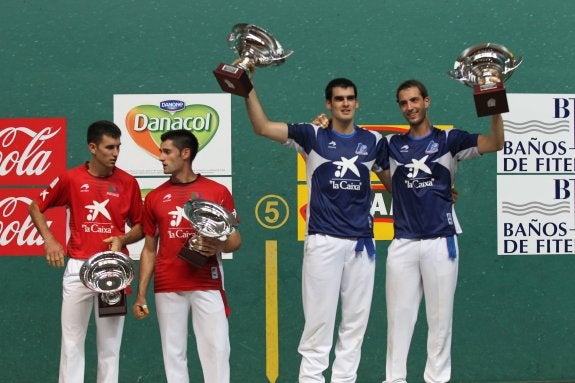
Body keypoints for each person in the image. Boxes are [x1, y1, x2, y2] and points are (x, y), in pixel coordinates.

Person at [244, 77, 387, 383]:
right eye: (339, 99)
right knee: (318, 324)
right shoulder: (312, 134)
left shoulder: (374, 141)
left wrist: (441, 190)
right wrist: (247, 88)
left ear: (357, 102)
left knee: (355, 324)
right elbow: (263, 126)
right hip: (323, 241)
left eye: (350, 97)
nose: (345, 103)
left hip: (362, 244)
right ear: (329, 104)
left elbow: (396, 185)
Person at [381, 79, 504, 383]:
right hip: (403, 244)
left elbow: (495, 143)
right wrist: (324, 126)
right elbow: (386, 181)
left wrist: (495, 104)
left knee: (439, 322)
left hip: (441, 242)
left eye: (414, 101)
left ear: (427, 101)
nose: (410, 107)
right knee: (398, 321)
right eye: (404, 103)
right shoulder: (391, 146)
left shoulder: (449, 140)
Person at [28, 120, 144, 383]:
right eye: (109, 147)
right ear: (93, 147)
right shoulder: (71, 178)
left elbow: (141, 226)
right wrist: (50, 240)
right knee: (71, 343)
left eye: (118, 147)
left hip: (113, 272)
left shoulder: (128, 182)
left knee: (110, 349)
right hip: (78, 269)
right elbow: (35, 207)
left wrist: (123, 238)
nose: (115, 153)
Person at [131, 129, 241, 383]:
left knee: (217, 351)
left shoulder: (217, 191)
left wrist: (218, 246)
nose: (161, 157)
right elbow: (149, 248)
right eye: (161, 151)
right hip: (167, 286)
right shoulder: (155, 197)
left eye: (166, 151)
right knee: (173, 355)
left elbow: (235, 241)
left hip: (207, 282)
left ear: (185, 153)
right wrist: (140, 293)